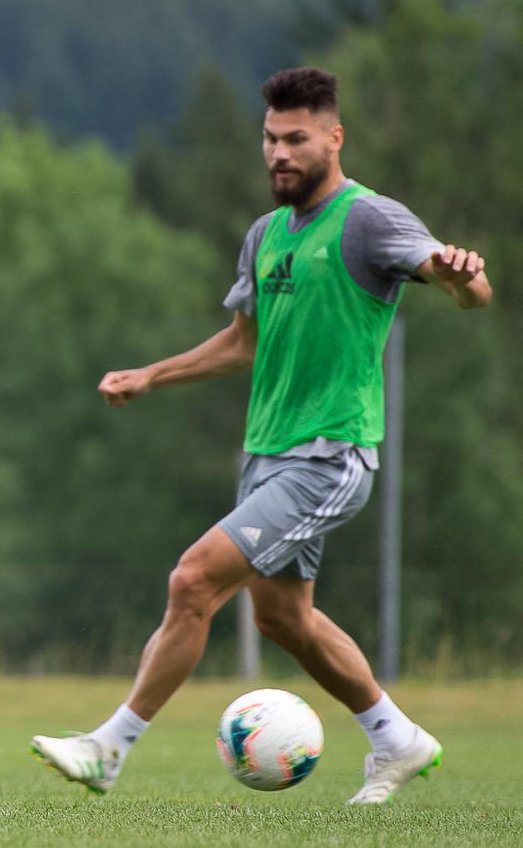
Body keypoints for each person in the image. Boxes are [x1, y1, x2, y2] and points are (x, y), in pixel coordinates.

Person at [30, 67, 490, 805]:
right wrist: (151, 375)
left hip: (331, 453)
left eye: (296, 139)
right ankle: (398, 739)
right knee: (282, 617)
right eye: (271, 139)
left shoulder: (369, 220)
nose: (279, 153)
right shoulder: (266, 234)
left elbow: (467, 290)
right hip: (269, 454)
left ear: (334, 139)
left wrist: (462, 277)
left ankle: (107, 748)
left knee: (192, 580)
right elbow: (244, 342)